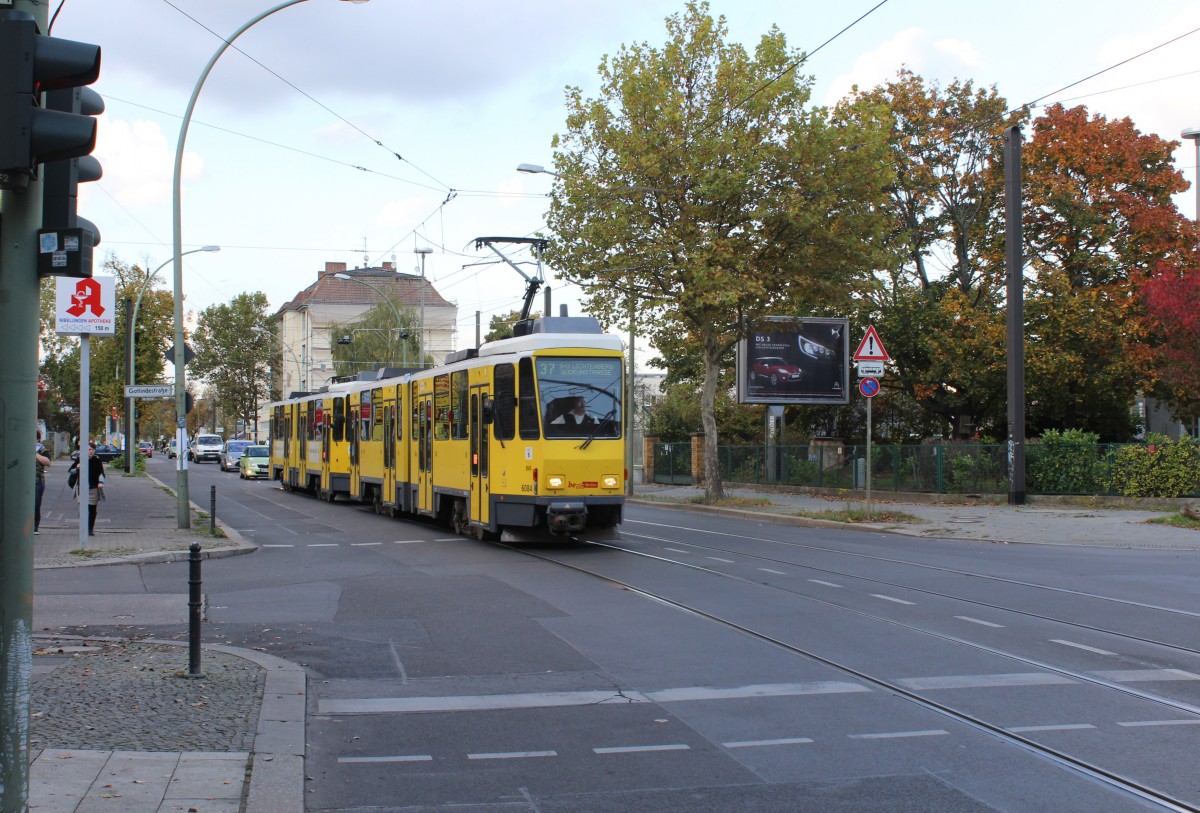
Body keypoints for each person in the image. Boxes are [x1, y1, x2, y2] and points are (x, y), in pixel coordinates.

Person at [70, 442, 106, 536]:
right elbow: (71, 471)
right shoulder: (80, 459)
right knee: (82, 508)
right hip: (81, 488)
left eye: (93, 450)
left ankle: (90, 528)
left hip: (93, 488)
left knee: (92, 509)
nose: (91, 451)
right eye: (89, 449)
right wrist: (77, 468)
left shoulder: (97, 461)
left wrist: (101, 482)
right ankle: (83, 527)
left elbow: (101, 473)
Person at [35, 431, 50, 535]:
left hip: (37, 481)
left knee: (35, 504)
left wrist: (35, 454)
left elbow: (48, 462)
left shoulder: (42, 449)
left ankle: (34, 527)